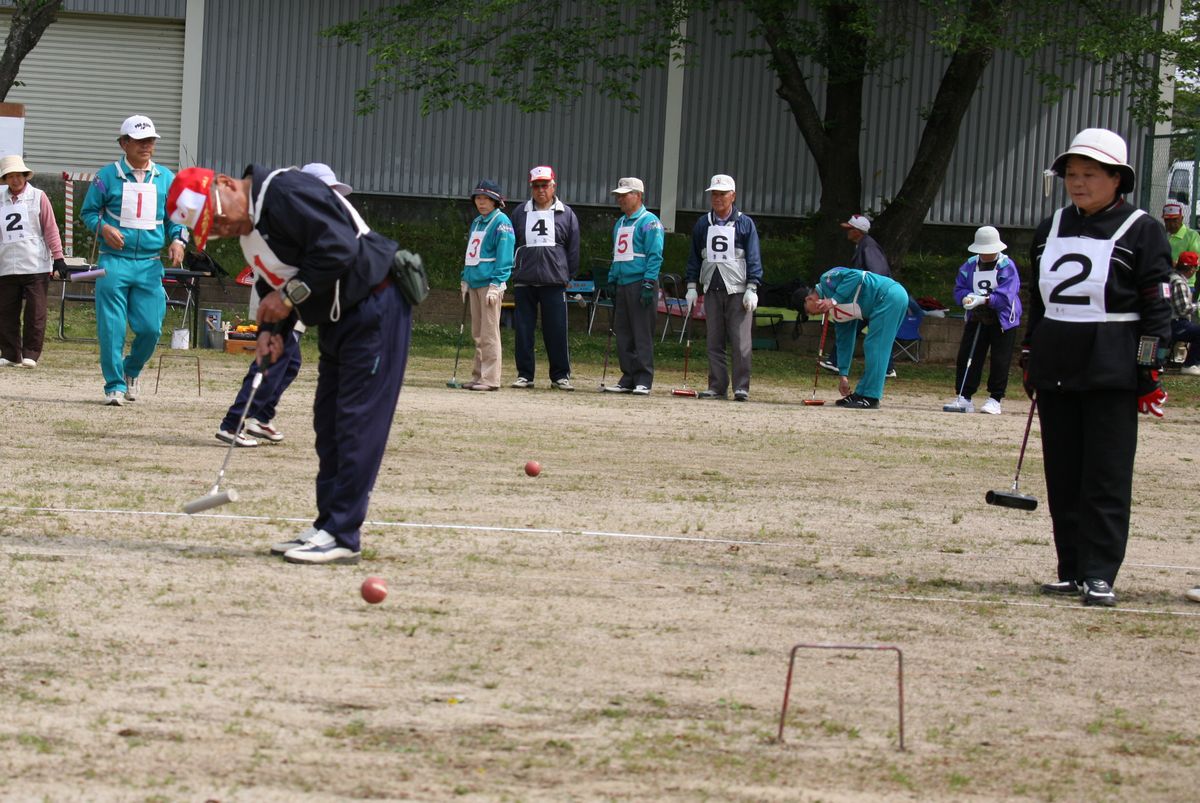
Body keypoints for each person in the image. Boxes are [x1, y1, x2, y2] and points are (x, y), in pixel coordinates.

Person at [167, 162, 418, 566]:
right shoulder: (251, 230)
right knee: (329, 420)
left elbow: (338, 248)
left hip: (376, 304)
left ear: (228, 185)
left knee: (355, 421)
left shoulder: (282, 193)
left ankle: (343, 533)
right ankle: (327, 525)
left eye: (219, 221)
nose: (221, 232)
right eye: (211, 231)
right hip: (340, 316)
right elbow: (276, 277)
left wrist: (286, 298)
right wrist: (274, 330)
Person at [1024, 127, 1172, 607]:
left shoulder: (1143, 229)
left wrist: (1148, 372)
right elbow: (1038, 300)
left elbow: (1158, 308)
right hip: (1057, 361)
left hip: (1112, 364)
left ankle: (1100, 573)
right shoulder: (1050, 227)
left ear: (1117, 179)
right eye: (1071, 174)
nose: (1078, 183)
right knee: (1062, 473)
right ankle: (1070, 569)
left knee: (1105, 475)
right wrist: (1030, 355)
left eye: (1089, 174)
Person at [214, 163, 352, 447]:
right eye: (326, 191)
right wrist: (289, 297)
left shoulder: (306, 222)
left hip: (297, 298)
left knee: (290, 362)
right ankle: (234, 422)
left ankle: (260, 416)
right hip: (285, 298)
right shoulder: (283, 214)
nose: (331, 199)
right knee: (276, 358)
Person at [80, 115, 186, 405]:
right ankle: (113, 385)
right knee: (111, 326)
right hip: (112, 260)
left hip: (150, 263)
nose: (147, 146)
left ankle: (131, 371)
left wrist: (178, 240)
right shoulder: (106, 176)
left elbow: (177, 217)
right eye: (140, 141)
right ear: (124, 143)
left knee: (151, 327)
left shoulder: (166, 177)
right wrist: (104, 228)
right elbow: (88, 212)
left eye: (151, 140)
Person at [684, 174, 763, 402]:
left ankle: (741, 387)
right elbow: (695, 257)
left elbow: (753, 256)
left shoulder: (745, 223)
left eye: (722, 194)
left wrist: (753, 286)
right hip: (712, 288)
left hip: (738, 289)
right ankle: (717, 386)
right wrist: (691, 285)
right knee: (714, 340)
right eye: (714, 194)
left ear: (733, 196)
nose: (717, 198)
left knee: (740, 341)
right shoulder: (702, 223)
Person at [508, 165, 580, 391]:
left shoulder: (566, 213)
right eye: (536, 186)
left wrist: (569, 275)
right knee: (523, 329)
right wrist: (513, 270)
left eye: (545, 185)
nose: (541, 190)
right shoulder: (520, 212)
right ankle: (525, 374)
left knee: (556, 329)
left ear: (553, 186)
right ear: (531, 187)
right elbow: (512, 243)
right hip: (525, 279)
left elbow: (573, 248)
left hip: (554, 280)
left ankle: (560, 375)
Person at [798, 266, 908, 408]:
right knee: (872, 345)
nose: (815, 315)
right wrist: (843, 375)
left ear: (809, 298)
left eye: (810, 312)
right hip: (884, 301)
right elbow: (844, 341)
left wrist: (834, 300)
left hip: (889, 295)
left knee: (876, 345)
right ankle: (861, 394)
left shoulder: (826, 279)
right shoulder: (836, 313)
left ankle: (872, 397)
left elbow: (856, 275)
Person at [943, 225, 1023, 414]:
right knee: (968, 355)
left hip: (1002, 320)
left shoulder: (1007, 266)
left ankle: (995, 398)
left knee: (1000, 359)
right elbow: (959, 288)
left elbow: (1007, 295)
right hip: (976, 317)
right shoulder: (969, 265)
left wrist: (986, 299)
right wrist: (965, 297)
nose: (985, 254)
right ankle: (964, 395)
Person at [0, 155, 67, 369]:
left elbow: (50, 228)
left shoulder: (38, 196)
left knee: (36, 311)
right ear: (5, 178)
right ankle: (10, 353)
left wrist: (59, 258)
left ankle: (30, 353)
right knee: (5, 311)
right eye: (10, 176)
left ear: (25, 176)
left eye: (18, 175)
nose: (15, 180)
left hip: (35, 263)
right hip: (6, 264)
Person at [603, 177, 663, 395]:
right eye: (618, 195)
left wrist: (649, 282)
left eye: (624, 195)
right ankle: (628, 376)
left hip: (640, 283)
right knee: (624, 332)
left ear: (638, 195)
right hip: (622, 283)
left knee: (641, 332)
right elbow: (617, 254)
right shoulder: (620, 223)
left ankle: (644, 378)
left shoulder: (650, 222)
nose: (620, 199)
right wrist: (611, 278)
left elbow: (654, 255)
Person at [821, 214, 892, 375]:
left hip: (872, 298)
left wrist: (870, 294)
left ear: (858, 231)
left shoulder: (868, 247)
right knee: (876, 330)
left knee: (850, 322)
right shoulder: (863, 245)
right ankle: (887, 368)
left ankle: (836, 361)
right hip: (868, 298)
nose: (847, 231)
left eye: (850, 229)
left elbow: (877, 273)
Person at [461, 179, 514, 391]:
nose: (481, 203)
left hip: (489, 283)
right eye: (478, 198)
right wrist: (465, 277)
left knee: (489, 332)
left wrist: (498, 282)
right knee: (477, 333)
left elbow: (505, 256)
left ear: (495, 201)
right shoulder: (477, 222)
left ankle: (491, 378)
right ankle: (478, 375)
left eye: (486, 199)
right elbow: (471, 253)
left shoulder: (502, 223)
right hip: (474, 281)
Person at [1167, 251, 1200, 376]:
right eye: (1195, 267)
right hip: (1174, 324)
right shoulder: (1179, 282)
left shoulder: (1172, 277)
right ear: (1191, 269)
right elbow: (1183, 310)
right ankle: (1190, 365)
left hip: (1168, 322)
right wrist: (1197, 306)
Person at [1161, 202, 1200, 292]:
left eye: (1175, 220)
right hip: (1164, 281)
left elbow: (1196, 261)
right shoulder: (1162, 234)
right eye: (1167, 220)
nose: (1171, 224)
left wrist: (1178, 265)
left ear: (1181, 219)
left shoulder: (1191, 235)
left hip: (1185, 283)